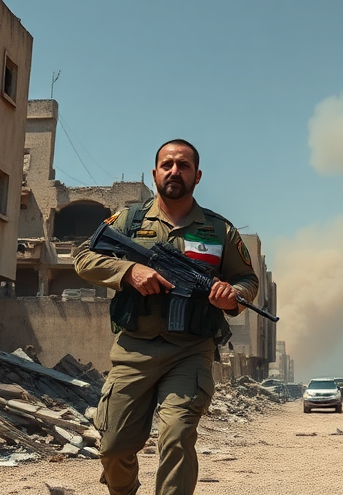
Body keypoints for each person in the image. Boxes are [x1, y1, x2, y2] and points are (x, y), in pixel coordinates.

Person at [74, 139, 259, 495]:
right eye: (168, 164)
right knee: (113, 447)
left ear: (198, 175)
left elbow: (247, 280)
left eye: (184, 165)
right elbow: (84, 257)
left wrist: (231, 295)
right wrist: (128, 271)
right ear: (156, 172)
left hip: (190, 350)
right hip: (134, 348)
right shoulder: (129, 220)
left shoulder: (220, 231)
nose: (175, 171)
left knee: (176, 436)